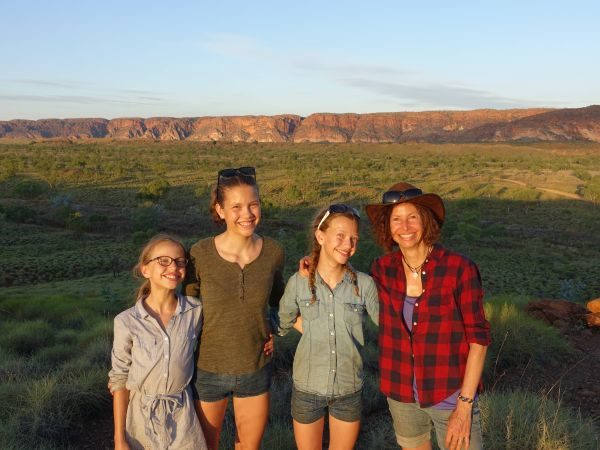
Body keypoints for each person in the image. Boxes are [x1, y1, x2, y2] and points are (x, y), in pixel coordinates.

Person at [366, 182, 491, 450]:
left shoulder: (459, 269)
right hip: (401, 396)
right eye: (396, 219)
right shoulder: (382, 269)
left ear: (426, 220)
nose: (405, 226)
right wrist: (313, 262)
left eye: (413, 217)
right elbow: (343, 281)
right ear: (388, 227)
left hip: (450, 395)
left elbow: (478, 340)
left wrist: (465, 405)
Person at [183, 167, 285, 450]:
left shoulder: (273, 252)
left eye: (253, 204)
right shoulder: (199, 254)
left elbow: (280, 303)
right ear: (220, 209)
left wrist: (273, 329)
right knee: (206, 445)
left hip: (255, 367)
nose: (247, 214)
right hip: (208, 369)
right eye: (237, 206)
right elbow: (186, 309)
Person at [278, 204, 379, 450]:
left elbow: (389, 325)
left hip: (348, 389)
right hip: (307, 388)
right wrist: (311, 329)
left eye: (354, 239)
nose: (348, 245)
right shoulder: (298, 283)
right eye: (341, 236)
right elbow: (282, 321)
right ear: (320, 236)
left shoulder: (364, 285)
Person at [109, 234, 207, 450]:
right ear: (145, 269)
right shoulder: (126, 321)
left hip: (183, 416)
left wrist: (264, 336)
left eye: (180, 261)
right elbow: (119, 380)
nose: (173, 266)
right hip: (140, 419)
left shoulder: (195, 311)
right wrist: (119, 439)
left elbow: (220, 335)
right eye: (163, 260)